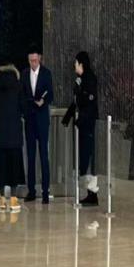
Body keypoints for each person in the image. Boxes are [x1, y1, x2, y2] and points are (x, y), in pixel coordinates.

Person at [62, 51, 99, 206]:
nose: (74, 66)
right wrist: (68, 117)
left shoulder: (89, 79)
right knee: (83, 158)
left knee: (88, 158)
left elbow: (89, 103)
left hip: (88, 124)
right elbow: (76, 101)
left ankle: (92, 193)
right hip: (83, 124)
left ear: (81, 64)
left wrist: (80, 119)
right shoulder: (80, 80)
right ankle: (89, 192)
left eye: (76, 63)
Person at [0, 57, 26, 212]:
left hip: (0, 132)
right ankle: (13, 199)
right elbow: (22, 105)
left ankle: (2, 200)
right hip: (14, 132)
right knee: (14, 167)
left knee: (1, 167)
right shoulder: (18, 84)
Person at [21, 44, 54, 204]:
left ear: (39, 58)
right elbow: (22, 95)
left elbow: (51, 94)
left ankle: (45, 192)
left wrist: (43, 101)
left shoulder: (46, 73)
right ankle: (31, 190)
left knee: (43, 155)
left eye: (35, 60)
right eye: (30, 61)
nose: (33, 63)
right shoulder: (24, 74)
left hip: (42, 118)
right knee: (31, 155)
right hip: (30, 118)